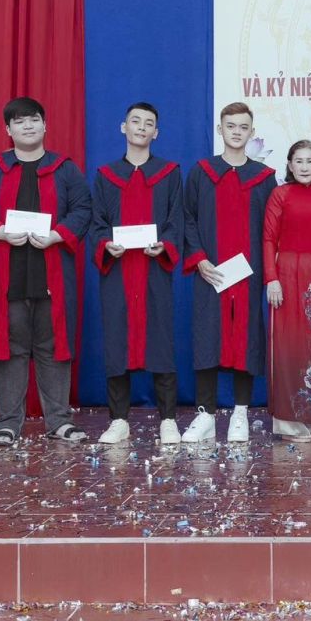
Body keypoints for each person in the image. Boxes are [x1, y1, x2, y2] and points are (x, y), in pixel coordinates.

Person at [0, 97, 92, 446]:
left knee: (53, 347)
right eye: (19, 122)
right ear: (8, 130)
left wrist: (57, 235)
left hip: (52, 273)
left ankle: (59, 421)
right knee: (10, 348)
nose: (28, 126)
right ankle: (8, 423)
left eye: (34, 119)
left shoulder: (65, 169)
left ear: (45, 125)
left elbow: (83, 209)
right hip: (7, 274)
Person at [182, 102, 275, 443]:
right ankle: (205, 415)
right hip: (212, 272)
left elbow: (271, 229)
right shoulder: (202, 172)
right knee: (207, 337)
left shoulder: (264, 178)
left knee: (246, 341)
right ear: (221, 130)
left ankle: (240, 414)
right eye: (231, 126)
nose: (237, 132)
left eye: (243, 127)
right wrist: (199, 259)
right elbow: (188, 219)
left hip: (248, 274)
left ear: (252, 132)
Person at [91, 101, 184, 446]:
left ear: (156, 133)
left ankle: (168, 419)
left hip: (153, 269)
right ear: (124, 127)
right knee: (117, 343)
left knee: (161, 341)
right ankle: (119, 420)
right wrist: (105, 244)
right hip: (118, 271)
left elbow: (175, 220)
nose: (141, 127)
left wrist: (165, 245)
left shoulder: (169, 173)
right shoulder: (106, 176)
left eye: (148, 123)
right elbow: (97, 223)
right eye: (135, 121)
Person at [263, 140, 311, 442]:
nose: (304, 167)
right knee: (288, 346)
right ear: (290, 165)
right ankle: (289, 423)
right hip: (285, 275)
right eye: (298, 161)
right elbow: (269, 239)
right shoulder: (280, 194)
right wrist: (271, 278)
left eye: (310, 161)